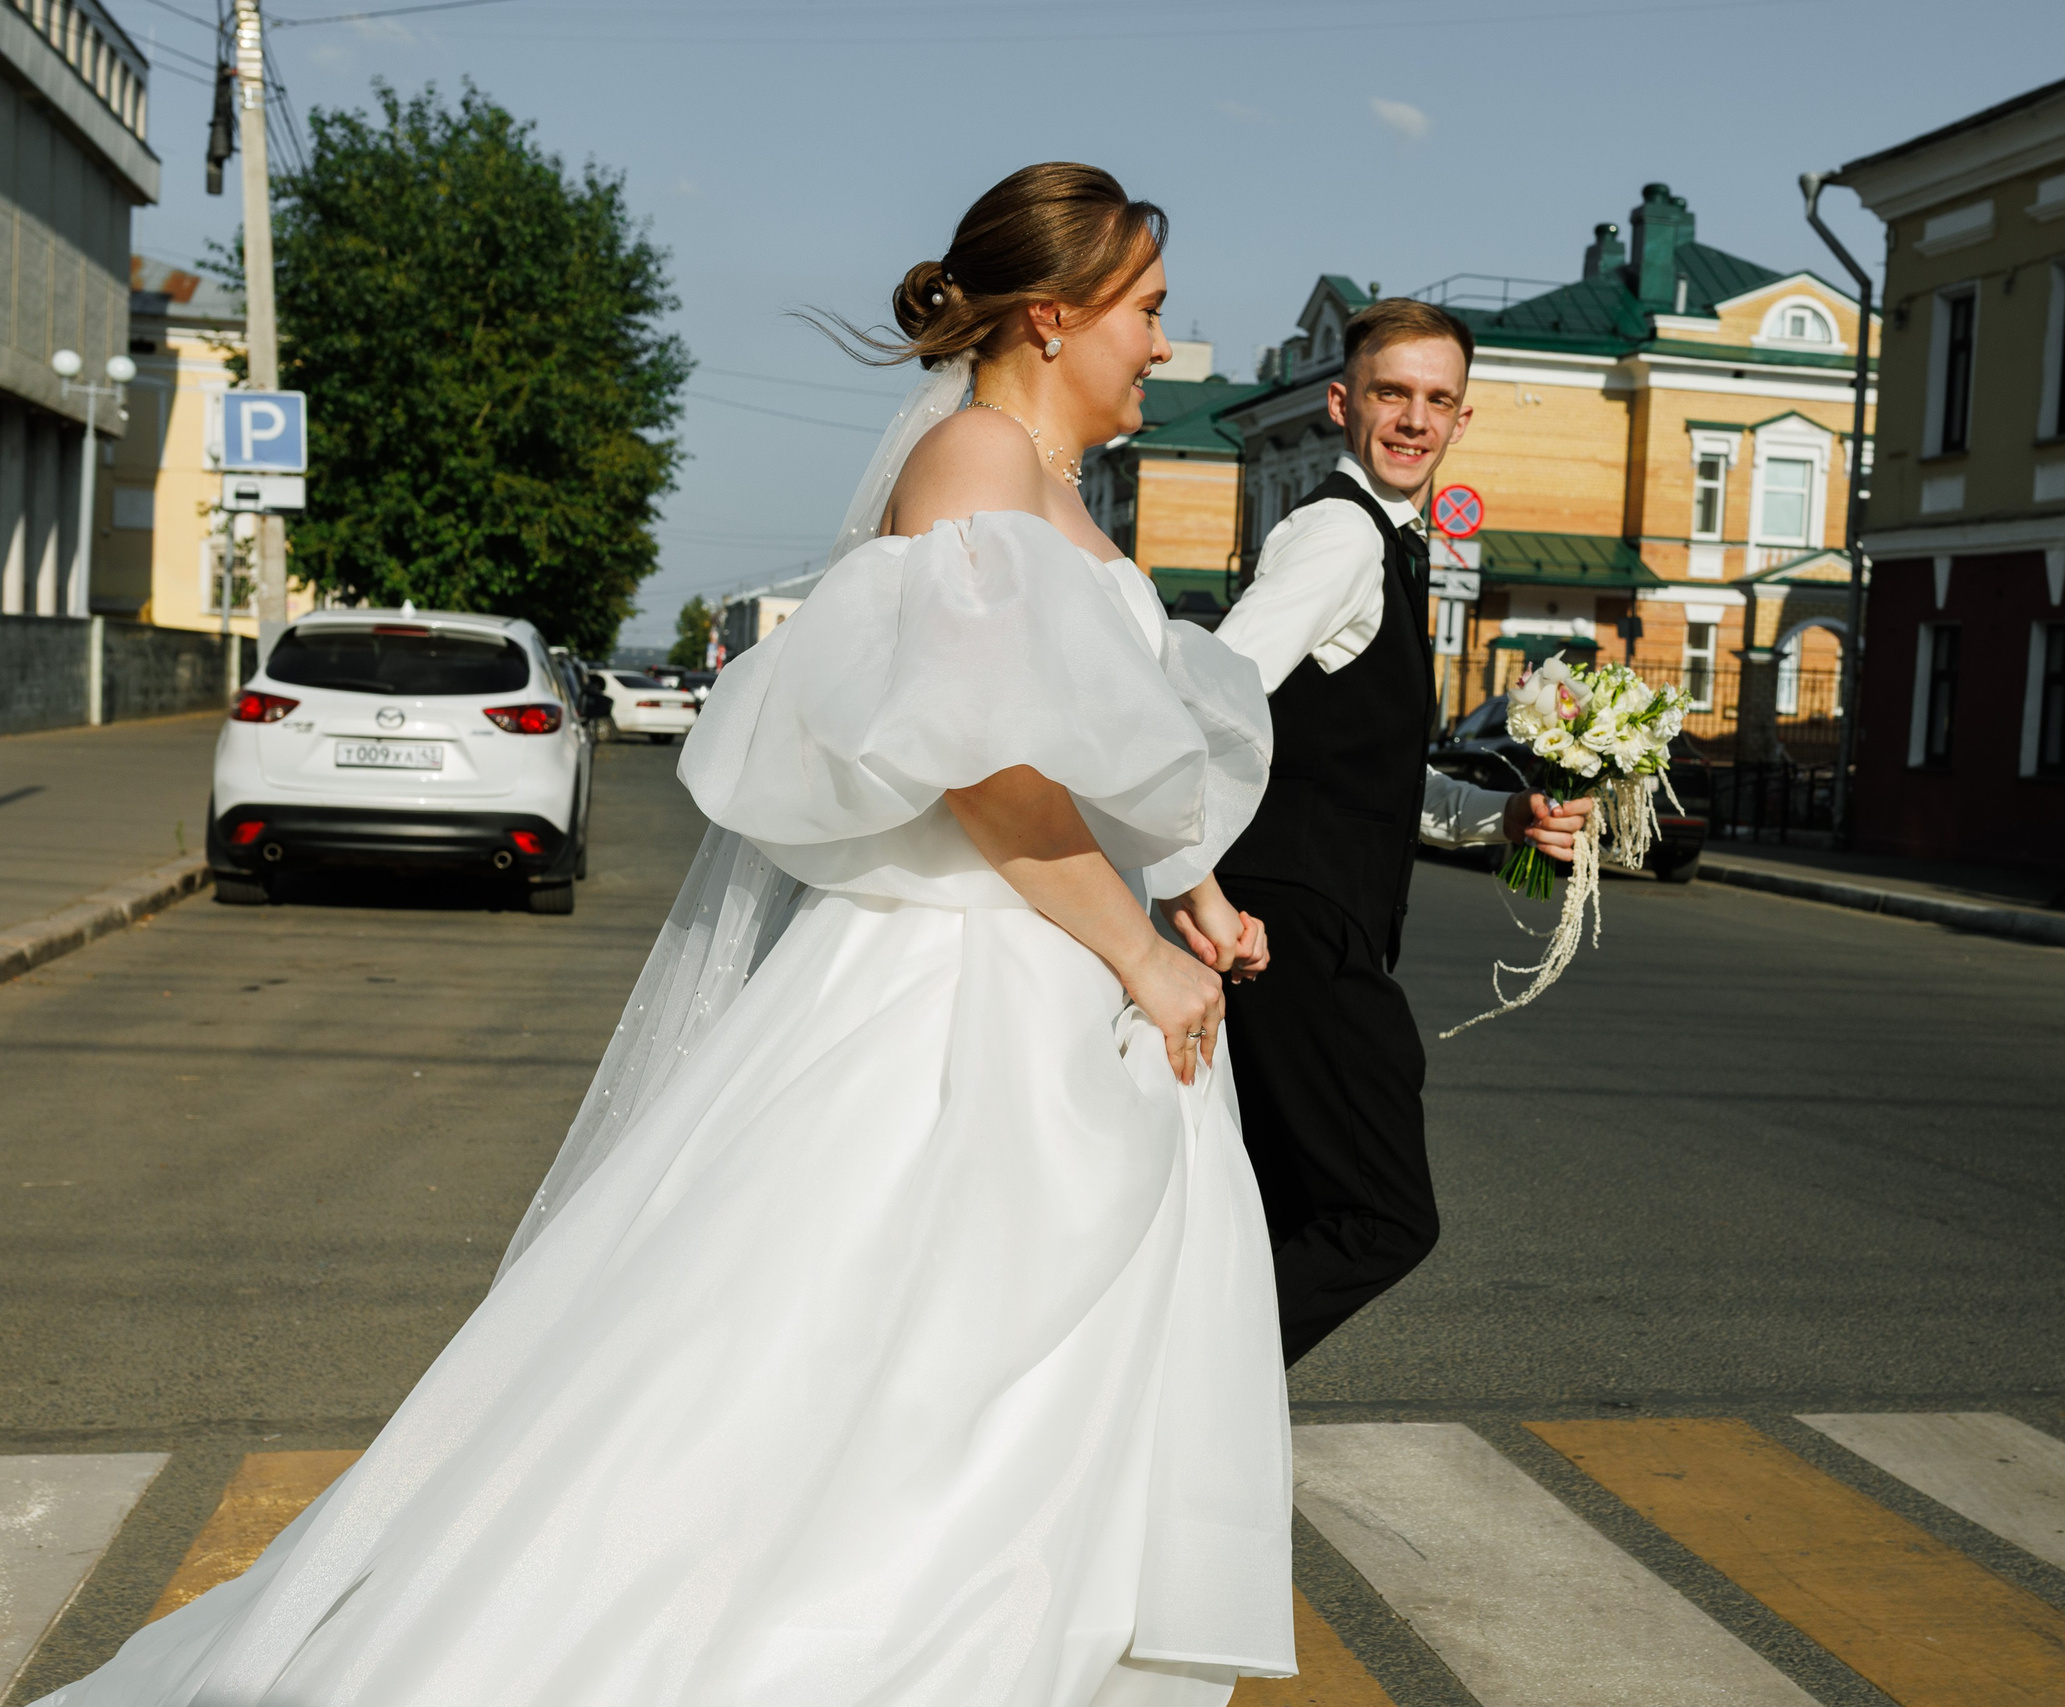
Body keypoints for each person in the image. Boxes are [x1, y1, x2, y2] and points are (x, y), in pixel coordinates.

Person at [41, 165, 1293, 1707]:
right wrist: (1143, 954)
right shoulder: (973, 456)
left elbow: (1083, 747)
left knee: (1013, 1391)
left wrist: (1193, 894)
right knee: (901, 1382)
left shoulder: (1055, 485)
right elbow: (978, 762)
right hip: (963, 992)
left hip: (1060, 968)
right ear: (1052, 313)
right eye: (1147, 309)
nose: (1163, 343)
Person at [1169, 299, 1591, 1367]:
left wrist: (1500, 817)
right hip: (1294, 926)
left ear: (1461, 418)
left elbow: (1365, 771)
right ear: (1341, 402)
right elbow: (1213, 701)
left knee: (1288, 1208)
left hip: (1312, 918)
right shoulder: (1339, 536)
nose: (1414, 419)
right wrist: (1192, 880)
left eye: (1437, 400)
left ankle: (1183, 1428)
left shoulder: (1391, 543)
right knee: (1380, 1215)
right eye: (1391, 393)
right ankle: (1173, 1396)